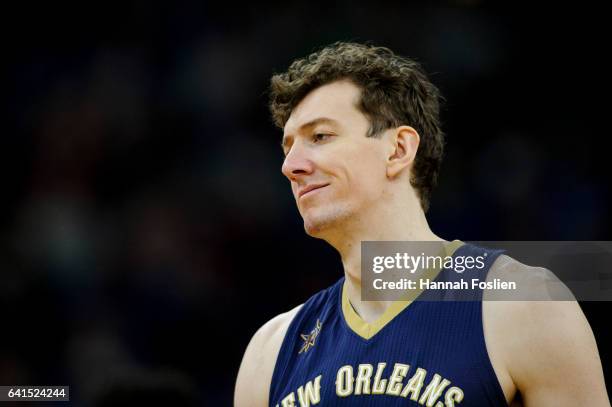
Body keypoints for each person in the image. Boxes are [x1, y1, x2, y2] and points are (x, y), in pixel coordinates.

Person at [234, 42, 609, 406]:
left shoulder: (522, 303)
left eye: (320, 136)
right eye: (288, 149)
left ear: (398, 150)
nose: (291, 166)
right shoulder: (270, 351)